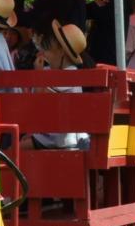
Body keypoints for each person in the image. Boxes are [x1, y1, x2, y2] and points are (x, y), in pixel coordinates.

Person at [30, 19, 90, 149]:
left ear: (62, 52)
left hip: (64, 139)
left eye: (48, 50)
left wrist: (39, 74)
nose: (44, 55)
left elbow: (42, 98)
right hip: (56, 135)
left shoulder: (68, 74)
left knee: (15, 149)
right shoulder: (63, 73)